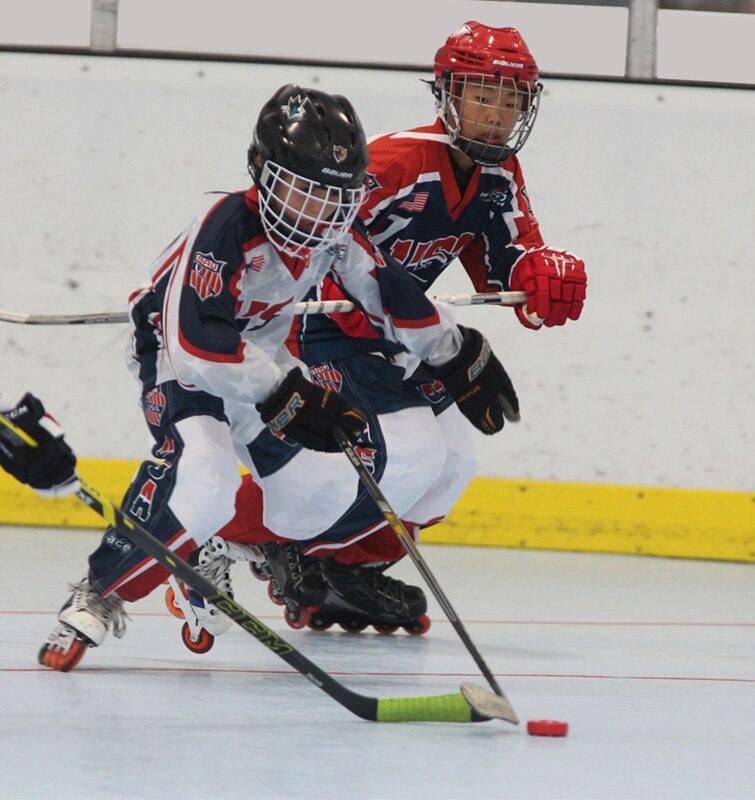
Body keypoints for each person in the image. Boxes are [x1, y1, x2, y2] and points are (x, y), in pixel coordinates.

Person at [16, 82, 519, 671]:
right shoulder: (225, 224)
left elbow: (385, 289)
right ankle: (101, 590)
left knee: (320, 491)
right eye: (305, 192)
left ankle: (213, 541)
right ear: (263, 174)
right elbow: (197, 342)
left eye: (336, 197)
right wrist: (282, 391)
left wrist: (452, 353)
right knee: (203, 476)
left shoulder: (333, 235)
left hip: (261, 365)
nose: (321, 212)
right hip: (178, 364)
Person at [195, 21, 586, 636]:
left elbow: (504, 264)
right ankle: (215, 534)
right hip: (322, 329)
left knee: (450, 468)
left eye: (512, 100)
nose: (497, 114)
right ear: (447, 95)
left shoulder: (501, 175)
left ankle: (339, 570)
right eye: (483, 95)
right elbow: (317, 221)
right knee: (408, 456)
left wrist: (540, 276)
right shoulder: (401, 158)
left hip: (398, 338)